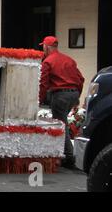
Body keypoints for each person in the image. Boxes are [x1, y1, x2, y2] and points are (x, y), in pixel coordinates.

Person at [39, 36, 85, 169]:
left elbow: (43, 84)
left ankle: (69, 157)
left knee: (61, 124)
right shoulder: (69, 60)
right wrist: (77, 98)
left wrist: (39, 100)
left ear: (46, 47)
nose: (43, 49)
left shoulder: (47, 62)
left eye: (43, 46)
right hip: (73, 93)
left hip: (60, 95)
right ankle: (67, 155)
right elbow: (81, 79)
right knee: (63, 121)